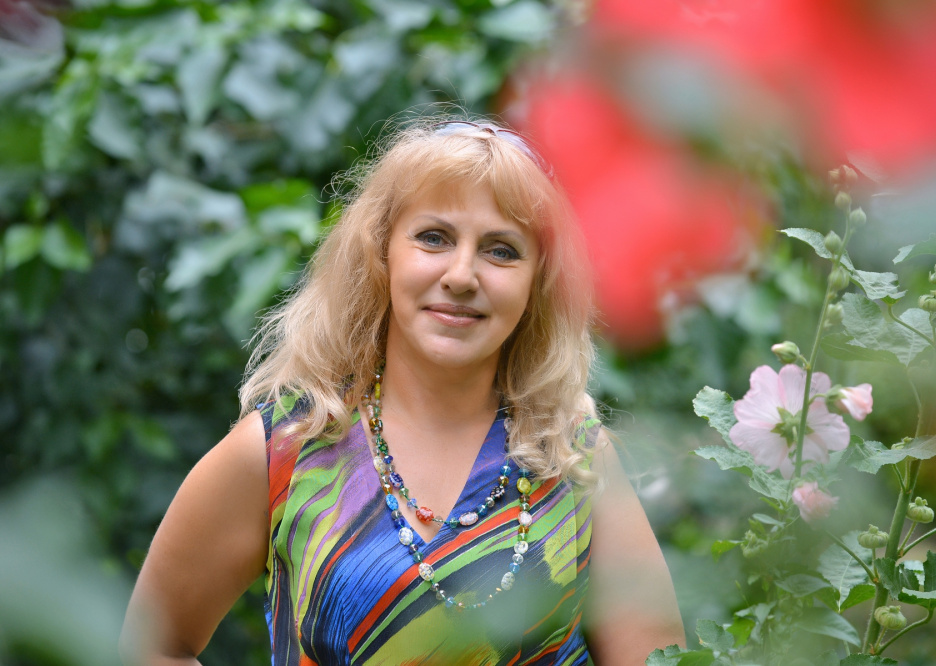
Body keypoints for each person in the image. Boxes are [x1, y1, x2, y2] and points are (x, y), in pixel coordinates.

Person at [121, 117, 684, 665]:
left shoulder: (573, 459)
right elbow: (151, 644)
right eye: (434, 238)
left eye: (501, 250)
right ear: (381, 252)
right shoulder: (285, 448)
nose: (461, 275)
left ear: (539, 281)